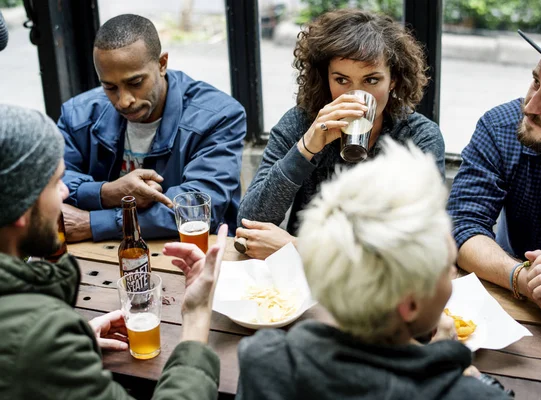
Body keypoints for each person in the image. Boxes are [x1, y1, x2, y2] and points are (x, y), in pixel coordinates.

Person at [236, 139, 511, 400]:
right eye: (446, 268)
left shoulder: (262, 360)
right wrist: (454, 373)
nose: (452, 272)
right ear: (410, 305)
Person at [0, 104, 228, 398]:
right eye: (55, 183)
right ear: (20, 207)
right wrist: (197, 316)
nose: (65, 193)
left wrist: (74, 346)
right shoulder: (37, 335)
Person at [236, 9, 445, 259]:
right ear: (326, 79)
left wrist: (298, 248)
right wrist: (305, 149)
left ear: (393, 81)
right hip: (300, 284)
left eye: (371, 80)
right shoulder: (302, 122)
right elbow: (250, 222)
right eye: (342, 80)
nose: (355, 95)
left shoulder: (418, 137)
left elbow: (416, 248)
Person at [447, 22, 541, 321]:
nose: (531, 105)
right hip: (510, 300)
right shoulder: (499, 127)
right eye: (535, 82)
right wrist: (524, 278)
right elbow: (462, 227)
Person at [59, 14, 246, 242]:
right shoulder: (77, 114)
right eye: (110, 87)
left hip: (188, 252)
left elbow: (197, 209)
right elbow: (51, 183)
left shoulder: (219, 116)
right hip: (104, 250)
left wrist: (92, 223)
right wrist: (107, 193)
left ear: (161, 64)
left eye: (135, 83)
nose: (124, 100)